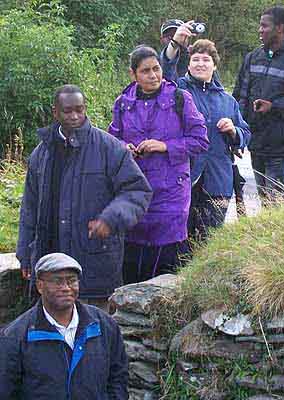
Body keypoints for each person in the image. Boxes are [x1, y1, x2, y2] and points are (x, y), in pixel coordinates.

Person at [17, 84, 152, 310]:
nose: (75, 116)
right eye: (68, 111)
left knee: (95, 336)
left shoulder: (109, 148)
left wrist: (110, 218)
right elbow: (29, 207)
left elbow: (138, 191)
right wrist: (25, 254)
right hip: (50, 265)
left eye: (80, 110)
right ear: (55, 112)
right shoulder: (41, 153)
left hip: (94, 266)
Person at [108, 45, 208, 283]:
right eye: (145, 71)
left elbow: (200, 141)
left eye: (156, 69)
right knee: (132, 262)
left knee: (167, 262)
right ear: (133, 74)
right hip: (133, 191)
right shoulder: (123, 103)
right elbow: (111, 140)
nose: (153, 75)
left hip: (171, 194)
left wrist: (165, 146)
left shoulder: (180, 98)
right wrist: (124, 148)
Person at [161, 29, 251, 240]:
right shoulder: (178, 89)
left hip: (219, 180)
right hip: (185, 179)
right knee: (182, 240)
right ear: (189, 64)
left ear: (215, 65)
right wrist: (175, 44)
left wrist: (234, 130)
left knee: (209, 241)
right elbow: (166, 69)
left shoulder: (228, 101)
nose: (200, 64)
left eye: (206, 59)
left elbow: (246, 133)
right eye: (195, 59)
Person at [0, 252, 128, 399]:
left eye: (71, 280)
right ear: (40, 286)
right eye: (57, 281)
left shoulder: (104, 326)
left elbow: (118, 377)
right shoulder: (15, 336)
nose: (66, 287)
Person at [233, 6, 284, 200]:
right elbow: (240, 97)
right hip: (256, 142)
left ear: (279, 28)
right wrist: (238, 136)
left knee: (273, 201)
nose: (259, 30)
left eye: (264, 26)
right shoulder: (253, 57)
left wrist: (274, 106)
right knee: (264, 200)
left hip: (280, 145)